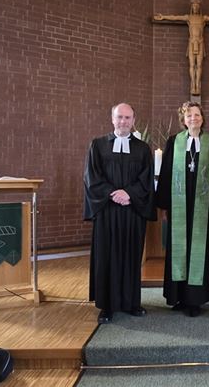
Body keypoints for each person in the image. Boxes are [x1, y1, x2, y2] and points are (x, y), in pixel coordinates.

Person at [83, 103, 155, 324]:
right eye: (119, 117)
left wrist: (129, 194)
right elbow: (91, 177)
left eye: (127, 118)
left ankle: (132, 302)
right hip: (107, 210)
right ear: (112, 119)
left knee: (132, 256)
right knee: (107, 255)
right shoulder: (98, 145)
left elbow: (146, 179)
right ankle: (107, 306)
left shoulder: (143, 149)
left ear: (134, 120)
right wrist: (114, 193)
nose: (123, 121)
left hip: (132, 211)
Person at [156, 102, 209, 317]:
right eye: (188, 115)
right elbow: (165, 174)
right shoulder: (174, 142)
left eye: (197, 114)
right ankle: (178, 297)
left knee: (200, 250)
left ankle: (195, 300)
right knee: (179, 248)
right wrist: (165, 206)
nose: (193, 118)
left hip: (204, 208)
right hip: (179, 207)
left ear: (202, 117)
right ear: (183, 119)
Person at [153, 0, 209, 96]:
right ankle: (192, 83)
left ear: (199, 8)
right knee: (191, 65)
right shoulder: (189, 17)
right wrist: (163, 17)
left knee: (199, 65)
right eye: (193, 6)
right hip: (191, 42)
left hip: (200, 42)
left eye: (197, 6)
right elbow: (175, 17)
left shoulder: (203, 18)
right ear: (191, 8)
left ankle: (197, 84)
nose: (195, 8)